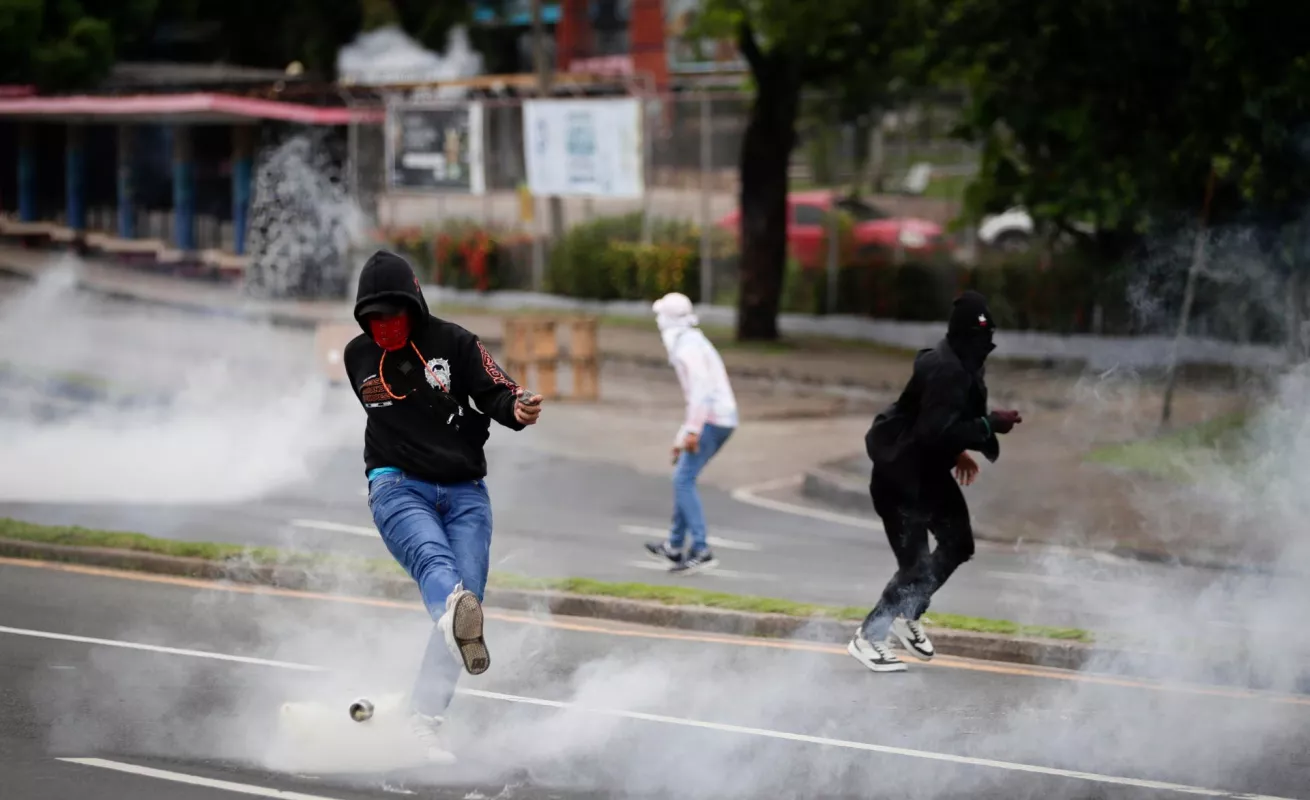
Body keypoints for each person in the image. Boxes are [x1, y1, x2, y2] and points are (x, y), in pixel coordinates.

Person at [343, 250, 543, 760]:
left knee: (468, 604)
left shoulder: (455, 343)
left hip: (464, 492)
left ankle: (423, 719)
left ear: (414, 305)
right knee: (441, 575)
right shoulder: (357, 356)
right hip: (396, 484)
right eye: (374, 317)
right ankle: (449, 617)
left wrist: (515, 408)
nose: (384, 325)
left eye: (394, 313)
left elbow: (496, 390)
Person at [849, 291, 1022, 673]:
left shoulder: (961, 362)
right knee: (915, 568)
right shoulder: (947, 369)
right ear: (963, 335)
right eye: (980, 334)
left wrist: (960, 451)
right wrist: (989, 425)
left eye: (988, 333)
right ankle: (870, 637)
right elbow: (932, 432)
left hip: (924, 471)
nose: (987, 342)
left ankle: (907, 609)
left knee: (958, 544)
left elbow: (931, 421)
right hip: (900, 479)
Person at [643, 292, 739, 574]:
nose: (659, 321)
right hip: (716, 418)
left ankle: (700, 548)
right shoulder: (691, 341)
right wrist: (682, 437)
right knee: (684, 477)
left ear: (669, 320)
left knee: (683, 479)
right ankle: (674, 546)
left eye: (661, 316)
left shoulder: (687, 348)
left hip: (714, 420)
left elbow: (701, 393)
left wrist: (692, 432)